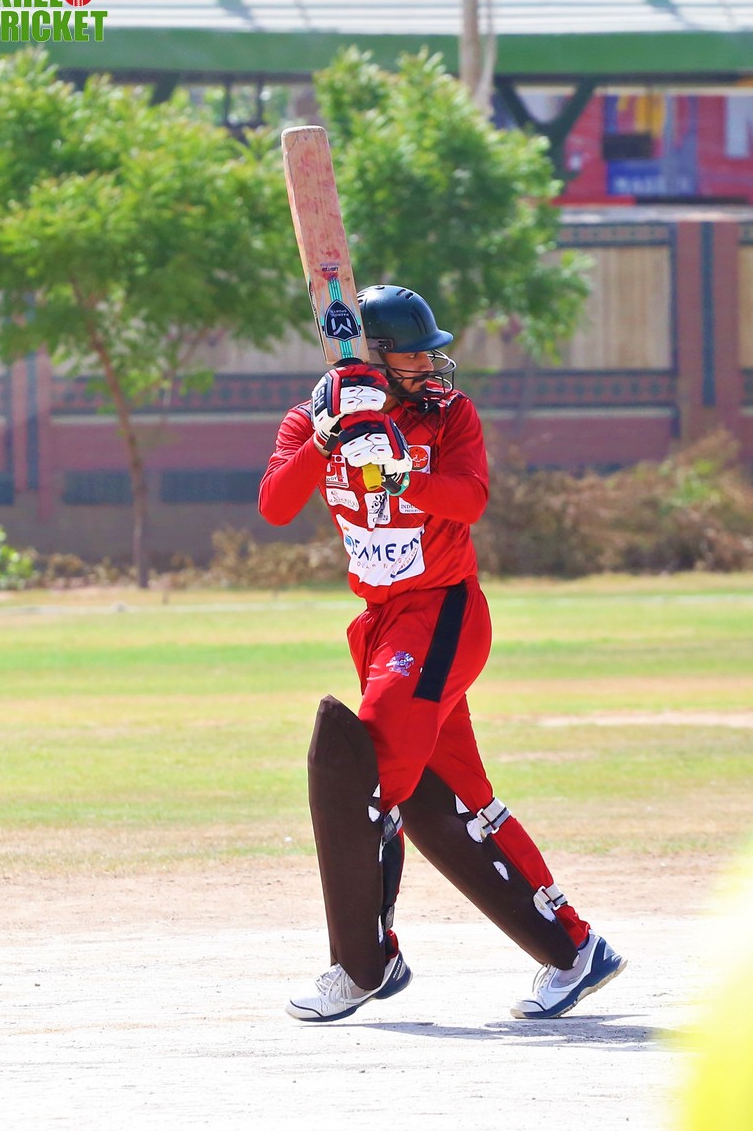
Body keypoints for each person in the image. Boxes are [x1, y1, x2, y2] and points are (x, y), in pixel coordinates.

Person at [259, 284, 626, 1023]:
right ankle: (574, 949)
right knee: (454, 799)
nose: (430, 364)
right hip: (380, 623)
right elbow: (274, 504)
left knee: (370, 781)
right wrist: (327, 440)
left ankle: (365, 963)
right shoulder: (312, 417)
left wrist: (405, 474)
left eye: (431, 352)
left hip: (442, 612)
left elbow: (469, 500)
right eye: (414, 353)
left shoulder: (449, 414)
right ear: (374, 358)